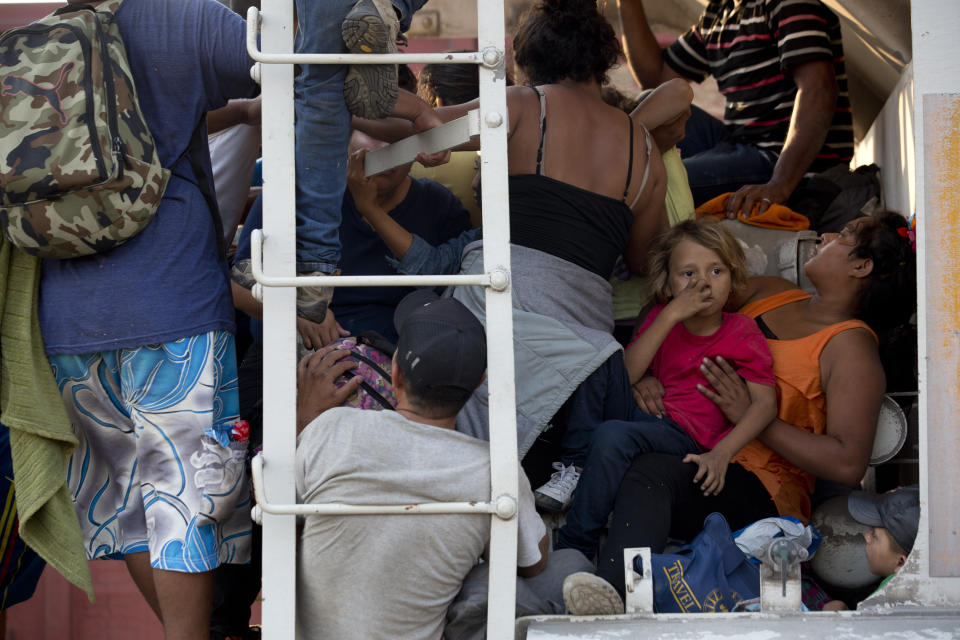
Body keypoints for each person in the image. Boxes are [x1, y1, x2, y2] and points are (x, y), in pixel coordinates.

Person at [356, 0, 696, 497]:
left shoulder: (520, 104)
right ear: (601, 61)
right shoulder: (645, 151)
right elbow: (644, 261)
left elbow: (420, 131)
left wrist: (370, 112)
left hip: (498, 305)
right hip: (582, 343)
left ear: (526, 56)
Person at [39, 0, 259, 636]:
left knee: (127, 506)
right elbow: (298, 67)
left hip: (70, 316)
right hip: (172, 305)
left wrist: (231, 111)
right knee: (185, 502)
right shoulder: (185, 17)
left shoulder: (55, 29)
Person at [590, 212, 916, 599]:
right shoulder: (772, 290)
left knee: (652, 474)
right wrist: (645, 373)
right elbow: (671, 301)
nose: (826, 233)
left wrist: (754, 417)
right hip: (687, 435)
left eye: (843, 234)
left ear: (861, 266)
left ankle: (614, 596)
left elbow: (847, 465)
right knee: (601, 400)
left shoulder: (852, 348)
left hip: (760, 485)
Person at [294, 290, 594, 639]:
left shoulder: (332, 429)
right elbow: (533, 563)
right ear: (479, 384)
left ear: (395, 372)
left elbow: (276, 502)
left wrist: (304, 422)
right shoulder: (493, 469)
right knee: (566, 566)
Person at [553, 220, 777, 554]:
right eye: (688, 274)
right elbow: (626, 374)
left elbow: (765, 404)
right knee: (597, 354)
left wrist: (721, 453)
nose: (703, 283)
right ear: (667, 283)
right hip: (645, 416)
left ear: (732, 277)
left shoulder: (741, 330)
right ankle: (574, 467)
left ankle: (576, 543)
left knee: (613, 435)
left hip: (685, 435)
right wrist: (670, 315)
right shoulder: (662, 317)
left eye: (716, 271)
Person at [291, 0, 450, 325]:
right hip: (377, 351)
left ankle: (317, 262)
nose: (381, 148)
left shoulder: (435, 202)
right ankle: (388, 7)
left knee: (321, 86)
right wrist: (419, 112)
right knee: (322, 86)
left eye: (392, 140)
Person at [616, 0, 854, 215]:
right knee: (650, 102)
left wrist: (779, 186)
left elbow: (819, 90)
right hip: (739, 146)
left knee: (659, 182)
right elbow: (657, 79)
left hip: (780, 162)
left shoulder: (787, 4)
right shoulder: (720, 13)